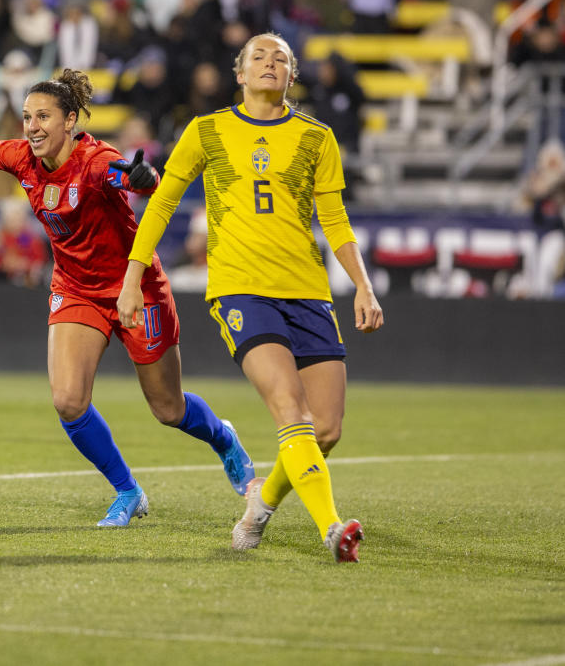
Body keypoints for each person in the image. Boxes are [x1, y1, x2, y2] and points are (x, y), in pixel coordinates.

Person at [0, 67, 254, 527]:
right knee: (68, 401)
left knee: (168, 409)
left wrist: (142, 176)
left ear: (70, 120)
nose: (31, 127)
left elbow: (137, 179)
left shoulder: (96, 161)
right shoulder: (21, 158)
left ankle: (223, 438)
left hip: (136, 287)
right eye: (26, 116)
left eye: (43, 117)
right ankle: (127, 490)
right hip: (75, 288)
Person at [117, 33, 384, 562]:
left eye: (280, 58)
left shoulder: (316, 137)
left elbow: (335, 219)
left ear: (292, 75)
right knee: (291, 411)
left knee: (325, 429)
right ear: (239, 74)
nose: (269, 63)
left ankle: (261, 502)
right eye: (258, 57)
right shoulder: (208, 130)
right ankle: (332, 528)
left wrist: (363, 284)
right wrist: (132, 278)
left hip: (307, 291)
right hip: (240, 289)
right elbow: (162, 203)